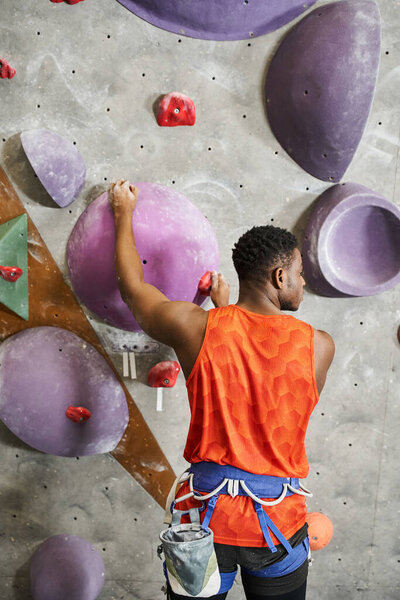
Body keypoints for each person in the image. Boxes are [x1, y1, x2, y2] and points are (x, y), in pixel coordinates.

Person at [109, 180, 335, 600]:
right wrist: (225, 312)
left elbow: (133, 291)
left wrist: (123, 213)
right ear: (280, 276)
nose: (302, 284)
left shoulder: (196, 327)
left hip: (205, 526)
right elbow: (263, 385)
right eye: (300, 275)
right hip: (277, 528)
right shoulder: (318, 346)